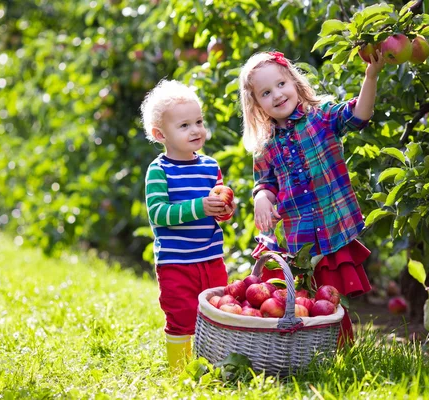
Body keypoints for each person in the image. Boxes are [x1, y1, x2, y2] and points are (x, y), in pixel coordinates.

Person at [239, 50, 385, 345]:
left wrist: (371, 76)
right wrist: (261, 198)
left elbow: (359, 115)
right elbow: (265, 183)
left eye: (281, 84)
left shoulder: (322, 117)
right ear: (256, 104)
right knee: (293, 300)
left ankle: (338, 350)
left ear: (294, 81)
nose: (277, 95)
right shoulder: (266, 146)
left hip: (329, 229)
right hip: (293, 237)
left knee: (328, 300)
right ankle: (294, 351)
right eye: (266, 93)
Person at [140, 79, 235, 373]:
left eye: (199, 122)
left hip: (211, 258)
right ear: (160, 134)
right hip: (176, 262)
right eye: (184, 126)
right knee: (181, 315)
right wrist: (200, 207)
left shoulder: (209, 166)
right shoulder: (159, 171)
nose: (196, 130)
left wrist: (224, 209)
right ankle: (180, 372)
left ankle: (216, 366)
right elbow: (158, 213)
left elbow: (217, 208)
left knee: (218, 312)